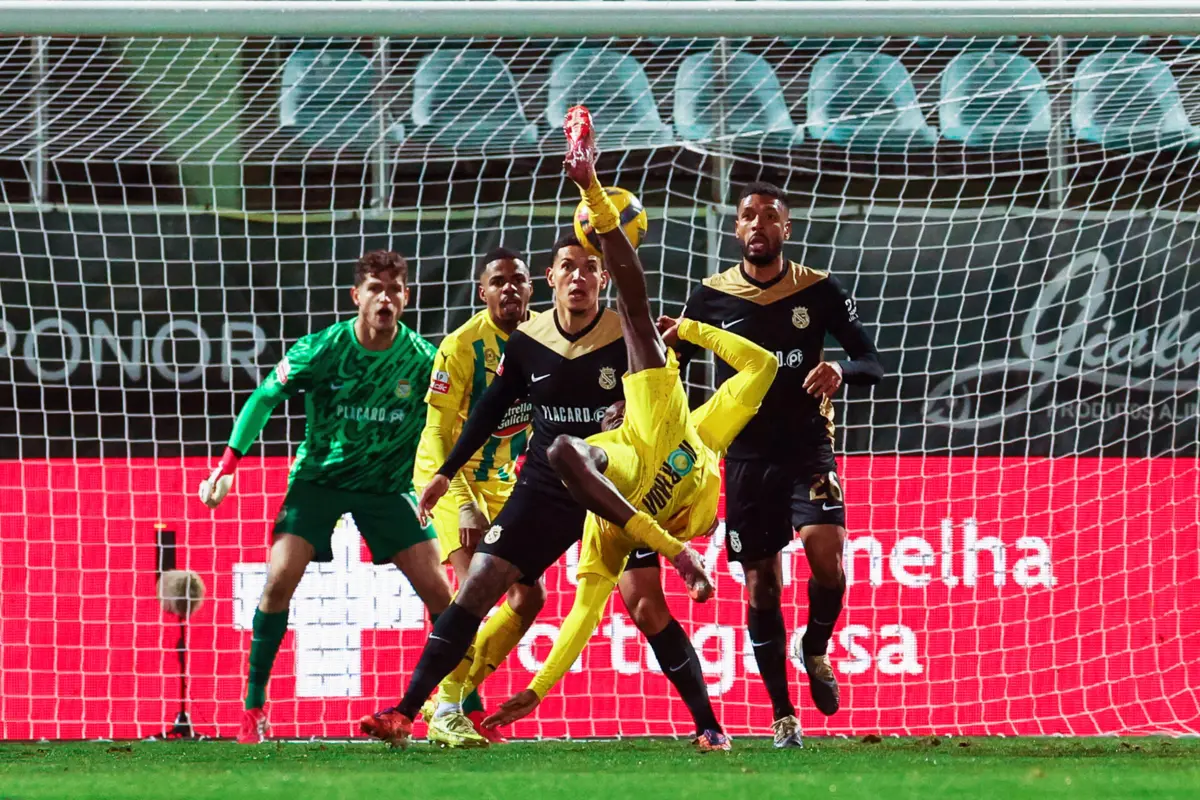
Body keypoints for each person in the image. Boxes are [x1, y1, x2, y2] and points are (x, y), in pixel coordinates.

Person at [480, 107, 778, 755]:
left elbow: (760, 364)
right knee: (641, 606)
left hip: (688, 511)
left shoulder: (694, 424)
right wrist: (540, 688)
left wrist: (691, 327)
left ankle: (719, 722)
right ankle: (710, 727)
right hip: (648, 519)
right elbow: (584, 613)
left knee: (648, 592)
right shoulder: (603, 518)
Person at [360, 224, 712, 747]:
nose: (578, 275)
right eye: (567, 266)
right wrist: (445, 471)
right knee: (480, 584)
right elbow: (490, 408)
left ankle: (709, 724)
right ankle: (407, 711)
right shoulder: (529, 340)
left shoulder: (629, 335)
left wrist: (630, 412)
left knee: (645, 605)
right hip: (546, 489)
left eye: (589, 267)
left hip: (615, 488)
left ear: (602, 279)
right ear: (550, 279)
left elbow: (666, 401)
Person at [198, 249, 454, 745]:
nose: (385, 298)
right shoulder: (322, 349)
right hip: (319, 481)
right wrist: (228, 466)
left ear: (407, 297)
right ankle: (254, 709)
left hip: (387, 487)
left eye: (395, 289)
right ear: (357, 296)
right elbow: (263, 398)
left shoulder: (423, 361)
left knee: (443, 598)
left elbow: (451, 421)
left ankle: (462, 705)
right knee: (277, 581)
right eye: (376, 289)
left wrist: (448, 480)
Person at [676, 181, 884, 747]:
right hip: (743, 458)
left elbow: (870, 358)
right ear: (736, 228)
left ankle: (814, 646)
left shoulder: (817, 290)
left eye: (770, 216)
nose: (758, 224)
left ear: (786, 230)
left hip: (807, 448)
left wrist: (842, 370)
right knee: (761, 586)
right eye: (748, 215)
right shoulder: (711, 297)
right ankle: (782, 715)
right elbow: (668, 366)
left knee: (828, 557)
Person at [411, 247, 545, 744]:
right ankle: (448, 709)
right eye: (498, 281)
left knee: (530, 598)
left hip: (506, 481)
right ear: (482, 291)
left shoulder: (547, 339)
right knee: (475, 591)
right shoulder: (461, 346)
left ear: (534, 288)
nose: (509, 288)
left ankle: (451, 694)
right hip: (450, 479)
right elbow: (437, 433)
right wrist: (461, 498)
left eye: (519, 280)